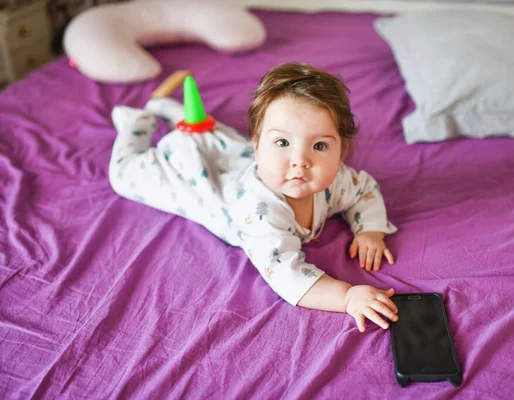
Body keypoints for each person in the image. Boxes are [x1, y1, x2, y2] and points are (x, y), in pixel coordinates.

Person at [109, 62, 399, 332]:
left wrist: (370, 230)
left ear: (341, 153)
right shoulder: (262, 213)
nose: (300, 160)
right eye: (283, 142)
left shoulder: (336, 180)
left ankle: (179, 114)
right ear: (257, 145)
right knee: (126, 175)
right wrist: (347, 297)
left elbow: (365, 190)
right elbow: (288, 275)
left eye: (320, 145)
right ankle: (136, 121)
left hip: (238, 158)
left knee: (209, 133)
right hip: (201, 182)